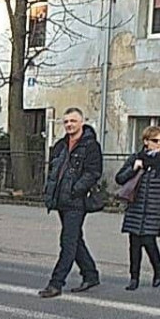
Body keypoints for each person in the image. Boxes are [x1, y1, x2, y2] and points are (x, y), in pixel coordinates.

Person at [39, 107, 103, 298]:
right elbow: (54, 171)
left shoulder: (90, 146)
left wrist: (76, 189)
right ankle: (90, 274)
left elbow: (93, 172)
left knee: (67, 241)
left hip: (77, 201)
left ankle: (56, 283)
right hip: (61, 200)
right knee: (75, 240)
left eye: (73, 121)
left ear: (81, 122)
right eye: (66, 121)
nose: (69, 125)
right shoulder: (60, 145)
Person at [114, 126, 160, 290]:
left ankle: (158, 268)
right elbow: (119, 178)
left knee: (149, 241)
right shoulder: (136, 158)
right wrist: (133, 168)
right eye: (155, 140)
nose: (159, 144)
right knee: (134, 243)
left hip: (154, 208)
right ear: (146, 141)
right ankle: (134, 277)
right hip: (135, 207)